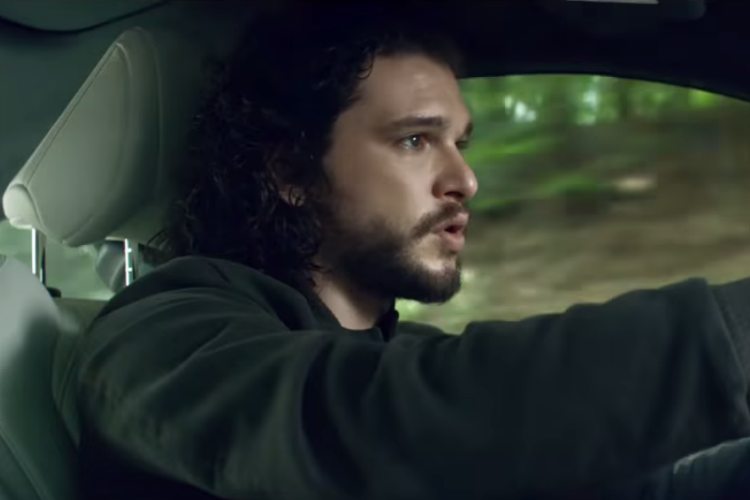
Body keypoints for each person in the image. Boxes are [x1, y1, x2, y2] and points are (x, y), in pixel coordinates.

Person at [76, 3, 750, 499]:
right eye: (415, 141)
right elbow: (369, 429)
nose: (465, 179)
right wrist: (732, 344)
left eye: (460, 142)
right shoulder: (161, 337)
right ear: (291, 171)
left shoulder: (396, 351)